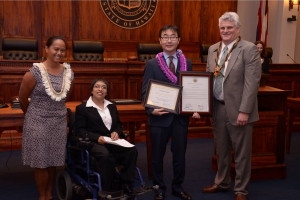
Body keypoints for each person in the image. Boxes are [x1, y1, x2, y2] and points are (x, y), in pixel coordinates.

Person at [202, 12, 261, 200]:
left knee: (241, 153)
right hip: (217, 108)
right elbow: (207, 80)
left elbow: (252, 83)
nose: (225, 31)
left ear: (238, 29)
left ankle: (241, 190)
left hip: (239, 110)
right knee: (221, 149)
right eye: (222, 28)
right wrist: (201, 105)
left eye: (229, 28)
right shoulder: (213, 49)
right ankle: (222, 182)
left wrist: (245, 111)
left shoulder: (249, 49)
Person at [141, 25, 199, 200]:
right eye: (165, 37)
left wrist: (195, 107)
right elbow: (145, 91)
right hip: (160, 118)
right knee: (157, 156)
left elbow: (191, 89)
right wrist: (151, 110)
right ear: (159, 41)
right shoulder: (151, 64)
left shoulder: (186, 62)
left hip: (180, 118)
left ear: (178, 40)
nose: (169, 40)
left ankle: (177, 187)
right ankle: (159, 188)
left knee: (180, 156)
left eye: (173, 36)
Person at [19, 36, 74, 200]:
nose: (59, 52)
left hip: (58, 121)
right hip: (38, 121)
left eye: (62, 50)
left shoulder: (69, 73)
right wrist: (33, 116)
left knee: (53, 161)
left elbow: (66, 97)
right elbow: (22, 99)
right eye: (56, 49)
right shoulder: (34, 73)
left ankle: (49, 194)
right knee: (41, 162)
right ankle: (43, 197)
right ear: (47, 49)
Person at [75, 78, 138, 194]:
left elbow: (118, 125)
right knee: (105, 154)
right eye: (97, 86)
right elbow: (80, 131)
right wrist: (96, 138)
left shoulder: (112, 106)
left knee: (132, 150)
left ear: (107, 92)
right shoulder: (82, 108)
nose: (100, 89)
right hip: (94, 141)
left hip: (112, 140)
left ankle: (126, 182)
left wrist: (117, 132)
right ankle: (109, 187)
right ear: (91, 90)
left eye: (104, 87)